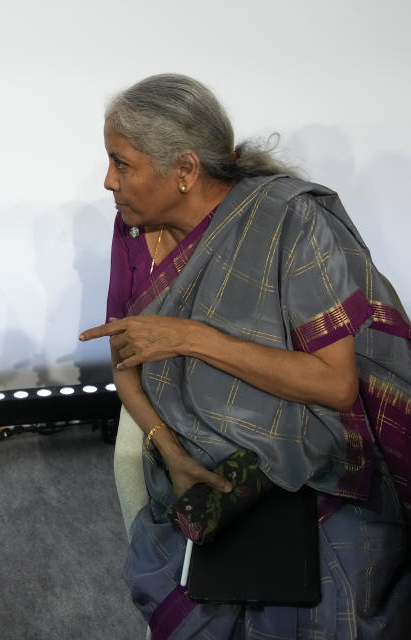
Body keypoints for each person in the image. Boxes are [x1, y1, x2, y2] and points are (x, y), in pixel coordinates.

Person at [79, 74, 411, 638]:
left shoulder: (289, 221)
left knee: (339, 605)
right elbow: (124, 356)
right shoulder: (132, 231)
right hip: (192, 443)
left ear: (185, 170)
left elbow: (334, 385)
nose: (109, 181)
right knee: (197, 601)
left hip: (309, 443)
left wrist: (188, 336)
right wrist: (168, 449)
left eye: (122, 163)